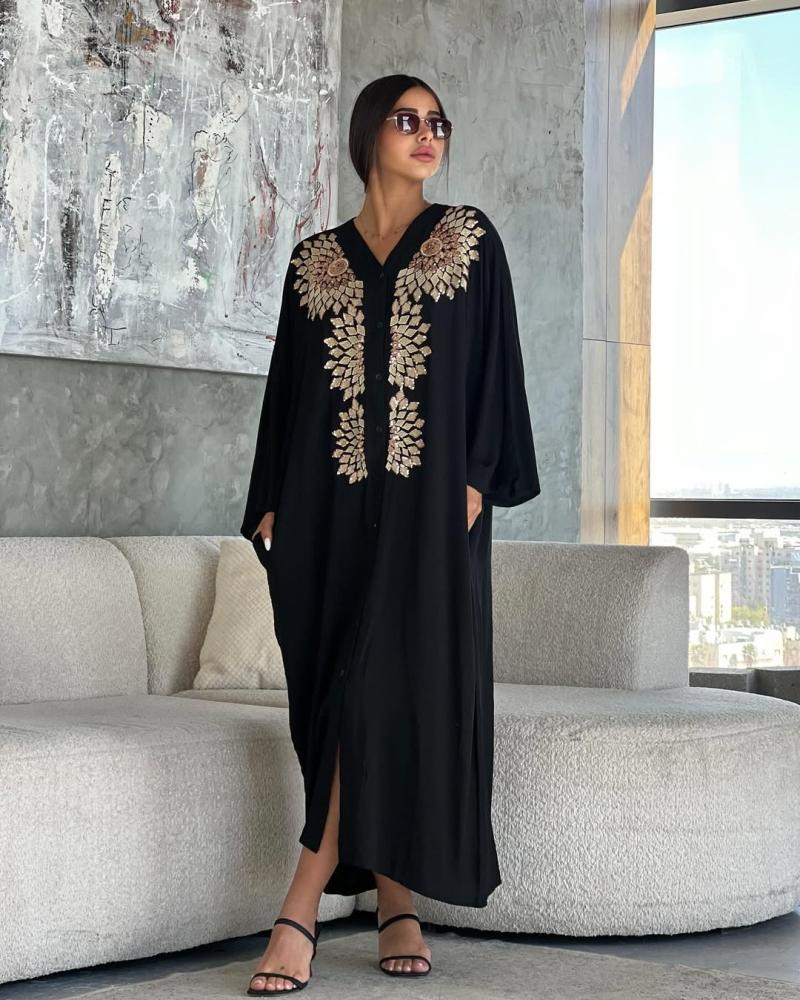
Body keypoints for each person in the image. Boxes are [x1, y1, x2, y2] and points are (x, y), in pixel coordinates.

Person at [241, 73, 541, 994]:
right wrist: (270, 498)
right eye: (408, 120)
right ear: (371, 131)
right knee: (342, 692)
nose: (427, 134)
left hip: (428, 512)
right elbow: (289, 393)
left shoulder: (468, 240)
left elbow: (494, 367)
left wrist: (476, 480)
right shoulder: (313, 262)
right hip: (325, 511)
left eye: (438, 122)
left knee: (386, 688)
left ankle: (300, 905)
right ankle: (397, 899)